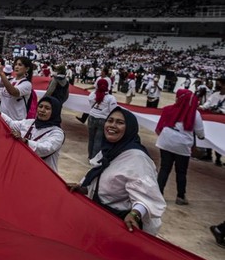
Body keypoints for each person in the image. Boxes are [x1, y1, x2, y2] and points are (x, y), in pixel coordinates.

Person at [69, 107, 166, 235]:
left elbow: (147, 196)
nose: (112, 125)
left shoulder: (137, 159)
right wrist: (83, 187)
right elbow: (101, 175)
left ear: (130, 128)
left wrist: (134, 214)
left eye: (120, 122)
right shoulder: (108, 150)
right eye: (110, 121)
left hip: (119, 225)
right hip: (100, 216)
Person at [155, 89, 205, 205]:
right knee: (181, 171)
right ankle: (180, 196)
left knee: (164, 168)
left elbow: (160, 127)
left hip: (166, 141)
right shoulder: (194, 113)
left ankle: (158, 193)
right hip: (182, 145)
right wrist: (201, 137)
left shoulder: (169, 109)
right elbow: (200, 133)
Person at [3, 96, 65, 172]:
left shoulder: (57, 133)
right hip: (24, 169)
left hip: (43, 173)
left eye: (47, 108)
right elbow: (10, 123)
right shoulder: (29, 122)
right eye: (40, 106)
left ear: (55, 112)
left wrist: (26, 142)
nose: (42, 110)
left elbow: (46, 148)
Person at [87, 78, 117, 161]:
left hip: (92, 117)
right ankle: (94, 158)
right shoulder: (111, 98)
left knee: (91, 138)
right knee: (99, 140)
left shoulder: (93, 94)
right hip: (103, 119)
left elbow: (90, 102)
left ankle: (90, 156)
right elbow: (113, 110)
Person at [0, 56, 34, 121]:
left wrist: (2, 73)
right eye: (16, 64)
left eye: (20, 65)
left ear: (27, 69)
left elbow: (13, 92)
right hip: (2, 119)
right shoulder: (10, 80)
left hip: (16, 123)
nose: (16, 67)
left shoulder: (27, 84)